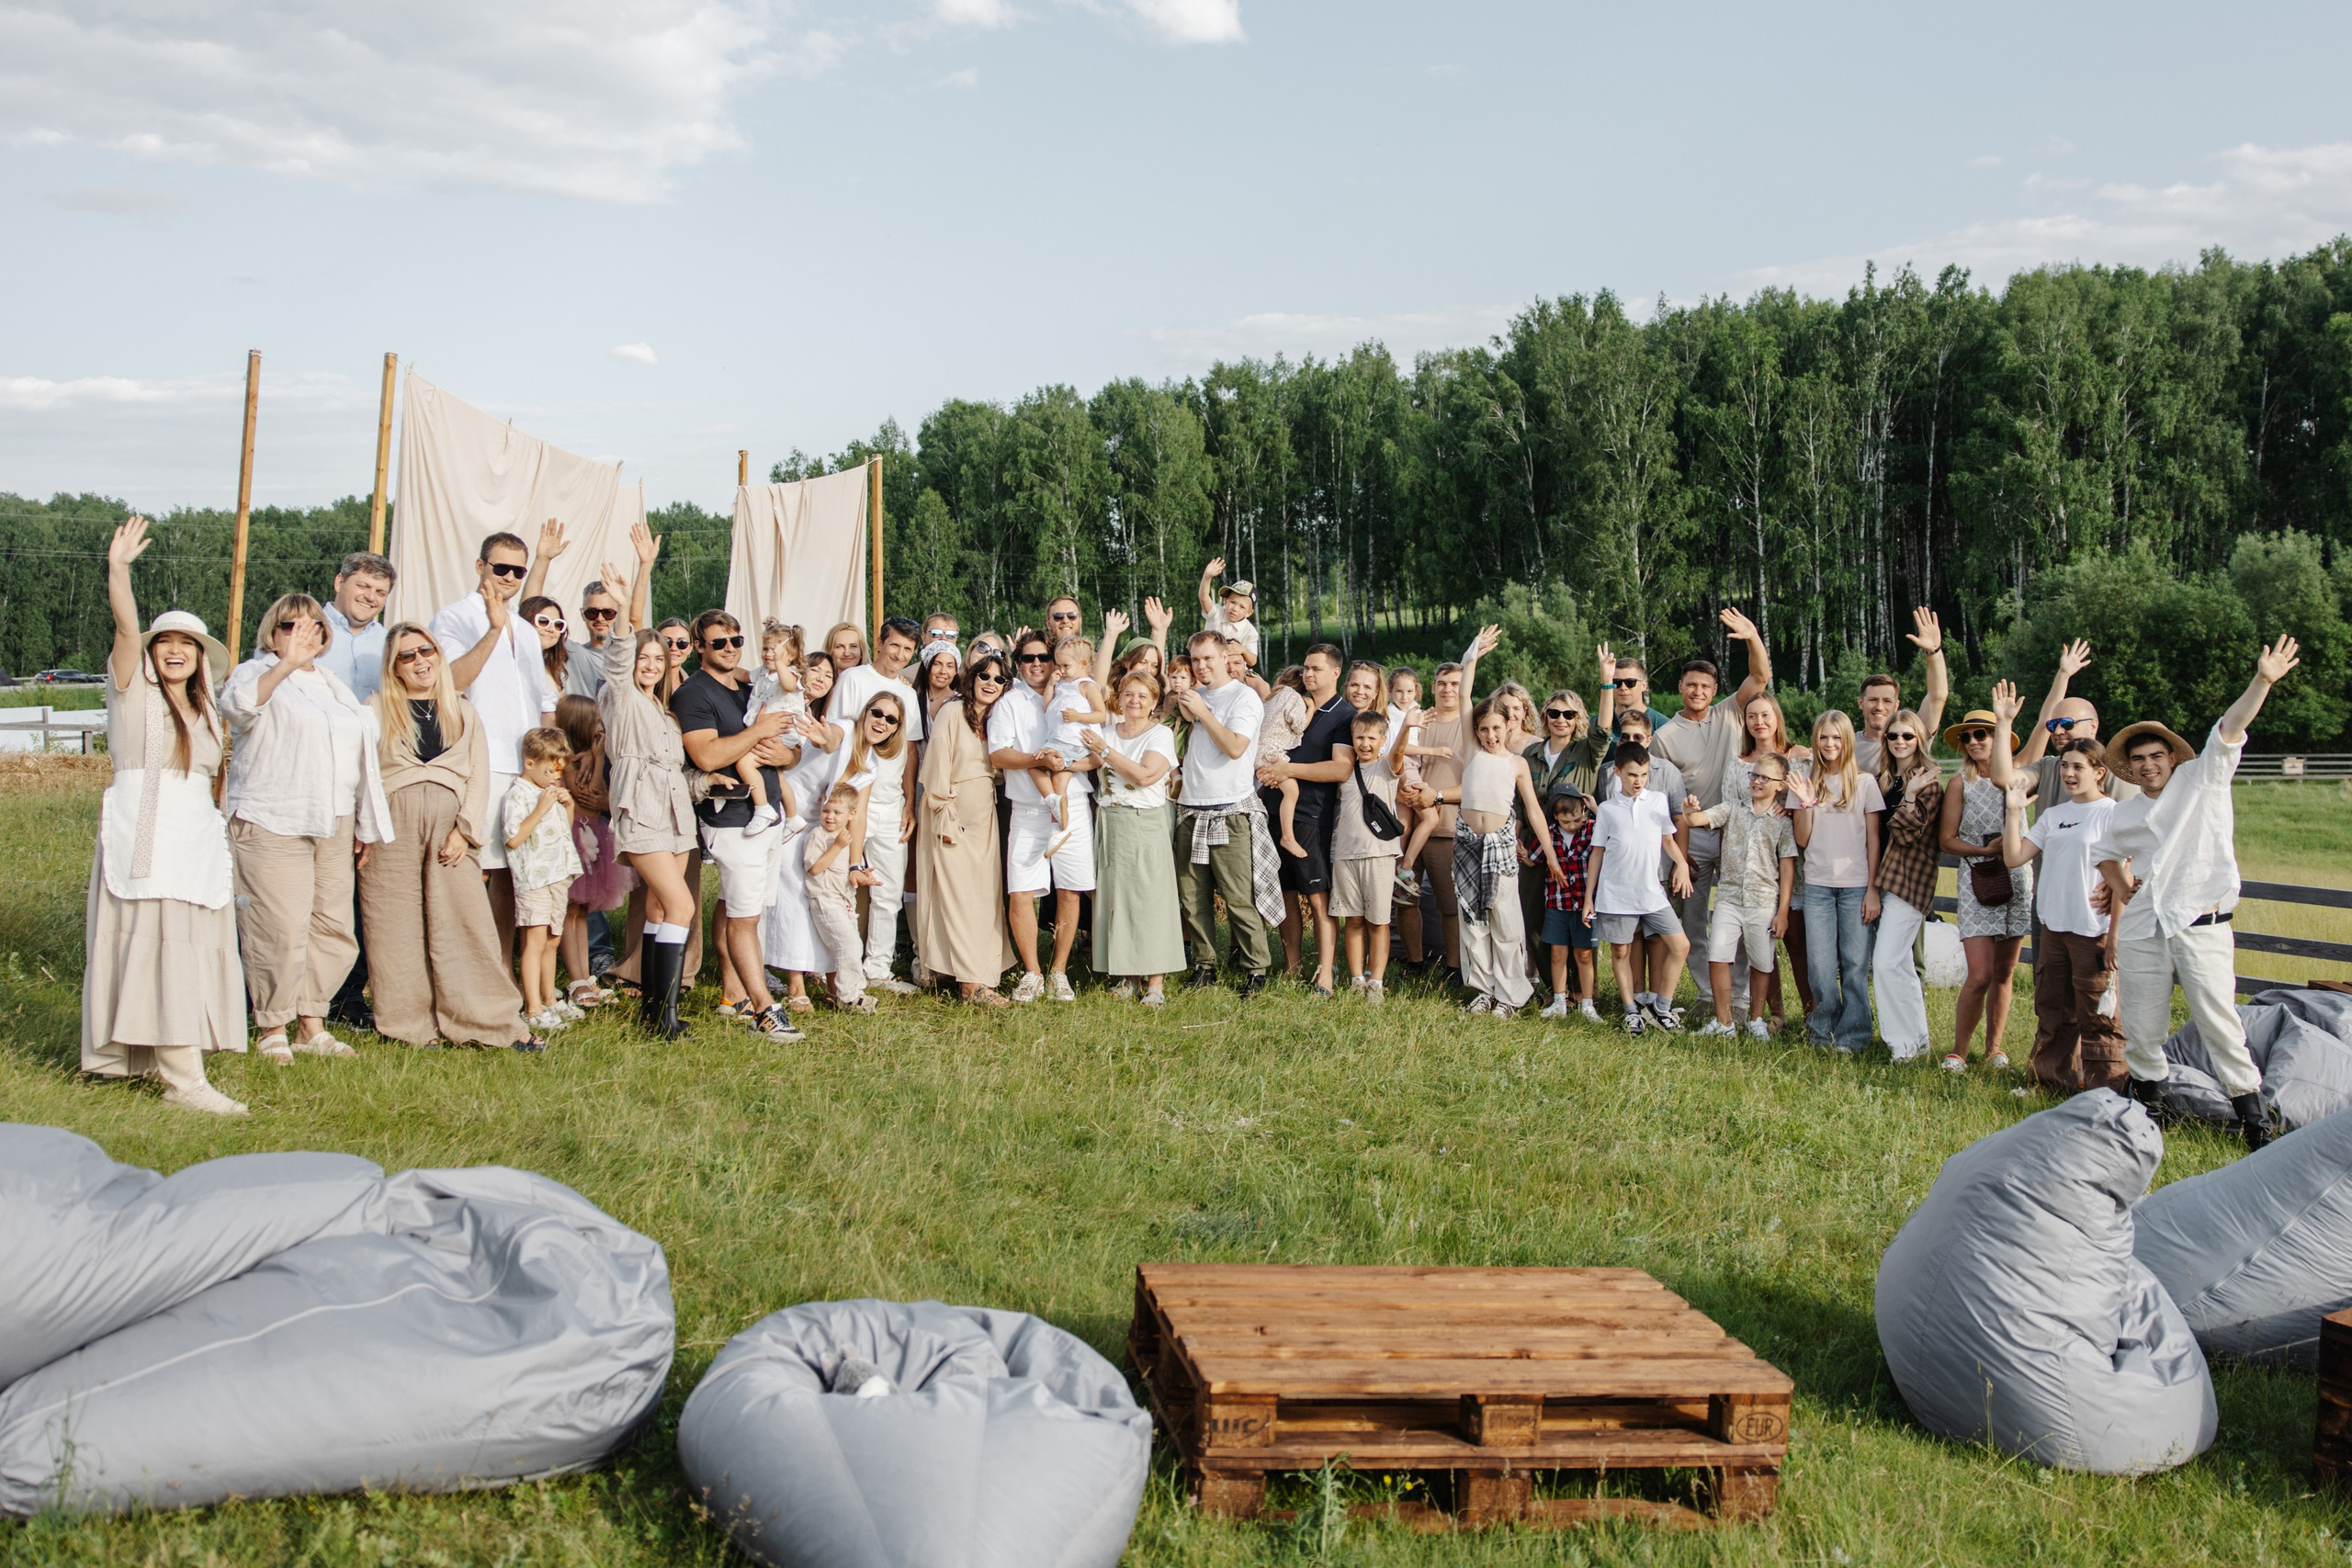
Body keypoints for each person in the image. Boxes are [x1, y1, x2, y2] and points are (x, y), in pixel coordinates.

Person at [2097, 637, 2300, 1150]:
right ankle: (2151, 1114)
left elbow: (2230, 729)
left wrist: (2263, 680)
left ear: (2172, 756)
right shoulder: (2124, 812)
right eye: (2138, 759)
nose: (2148, 765)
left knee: (2218, 1022)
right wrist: (2122, 887)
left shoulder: (2202, 777)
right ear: (2130, 767)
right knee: (2142, 1029)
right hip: (2145, 925)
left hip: (2201, 923)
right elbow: (2104, 852)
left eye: (2155, 756)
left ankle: (2255, 1122)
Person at [83, 516, 247, 1115]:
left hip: (192, 839)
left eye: (188, 644)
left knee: (183, 945)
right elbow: (125, 626)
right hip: (145, 836)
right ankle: (185, 1080)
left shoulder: (206, 713)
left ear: (201, 657)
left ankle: (162, 1061)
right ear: (152, 652)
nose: (176, 651)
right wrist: (118, 570)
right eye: (166, 641)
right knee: (152, 947)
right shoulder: (133, 691)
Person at [221, 589, 393, 1065]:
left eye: (313, 627)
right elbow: (238, 709)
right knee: (279, 925)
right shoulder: (255, 673)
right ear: (271, 634)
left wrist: (364, 821)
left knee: (333, 926)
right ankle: (272, 1024)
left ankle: (311, 1023)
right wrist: (284, 665)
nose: (302, 636)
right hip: (274, 816)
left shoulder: (334, 685)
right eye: (289, 627)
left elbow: (359, 757)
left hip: (334, 819)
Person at [594, 543, 747, 1040]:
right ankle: (664, 1018)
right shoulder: (621, 699)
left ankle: (652, 1012)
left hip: (678, 814)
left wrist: (706, 780)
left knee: (663, 909)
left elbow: (675, 772)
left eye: (659, 658)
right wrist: (629, 597)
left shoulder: (662, 712)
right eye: (644, 656)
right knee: (682, 906)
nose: (651, 664)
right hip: (643, 815)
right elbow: (618, 659)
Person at [362, 622, 537, 1051]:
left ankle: (489, 1021)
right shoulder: (375, 708)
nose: (420, 661)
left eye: (427, 651)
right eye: (408, 656)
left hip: (449, 827)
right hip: (392, 825)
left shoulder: (461, 710)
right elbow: (362, 774)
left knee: (465, 922)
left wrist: (465, 830)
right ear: (394, 667)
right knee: (394, 923)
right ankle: (409, 1026)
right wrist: (366, 829)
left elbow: (478, 774)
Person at [673, 609, 800, 1040]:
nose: (731, 649)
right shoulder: (693, 694)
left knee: (739, 907)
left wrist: (788, 755)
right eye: (719, 643)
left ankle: (734, 993)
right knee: (745, 918)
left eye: (736, 640)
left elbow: (787, 746)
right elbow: (707, 756)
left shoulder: (751, 682)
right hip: (730, 819)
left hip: (768, 815)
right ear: (700, 648)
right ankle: (765, 1011)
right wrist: (759, 730)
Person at [429, 531, 557, 953]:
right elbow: (453, 681)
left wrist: (551, 767)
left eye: (518, 571)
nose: (509, 577)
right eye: (500, 567)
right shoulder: (453, 618)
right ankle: (463, 967)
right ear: (480, 565)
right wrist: (492, 629)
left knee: (513, 873)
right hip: (481, 762)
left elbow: (541, 703)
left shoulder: (525, 628)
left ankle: (502, 971)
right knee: (474, 868)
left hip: (526, 767)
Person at [1654, 609, 1772, 1022]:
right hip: (1695, 832)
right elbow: (1662, 797)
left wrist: (1752, 637)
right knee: (1693, 918)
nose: (1698, 692)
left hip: (1738, 829)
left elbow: (1760, 679)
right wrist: (1679, 855)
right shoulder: (1664, 737)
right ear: (1681, 688)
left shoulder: (1729, 712)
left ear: (1715, 689)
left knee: (1738, 914)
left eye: (1705, 686)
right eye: (1691, 686)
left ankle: (1738, 1000)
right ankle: (1708, 992)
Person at [2000, 739, 2126, 1093]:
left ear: (2099, 772)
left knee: (2098, 1014)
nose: (2069, 773)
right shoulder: (2054, 815)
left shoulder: (2111, 813)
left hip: (2092, 931)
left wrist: (2114, 935)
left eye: (2078, 767)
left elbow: (2122, 881)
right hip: (2053, 927)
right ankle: (2049, 1081)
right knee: (2053, 1008)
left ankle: (2107, 1089)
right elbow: (2014, 857)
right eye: (2064, 766)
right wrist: (2013, 812)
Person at [989, 631, 1097, 1000]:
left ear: (1055, 661)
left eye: (1043, 657)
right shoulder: (1008, 703)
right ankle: (1031, 972)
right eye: (1028, 658)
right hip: (1028, 808)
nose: (1037, 663)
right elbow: (999, 755)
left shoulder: (1078, 692)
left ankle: (1059, 972)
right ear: (1018, 664)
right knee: (1020, 890)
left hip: (1074, 803)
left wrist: (1064, 762)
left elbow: (1098, 753)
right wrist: (1038, 758)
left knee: (1070, 888)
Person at [315, 549, 397, 1034]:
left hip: (370, 778)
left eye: (379, 592)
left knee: (360, 892)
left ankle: (346, 995)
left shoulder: (389, 643)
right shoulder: (307, 628)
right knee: (308, 892)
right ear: (339, 582)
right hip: (318, 773)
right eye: (362, 587)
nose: (369, 598)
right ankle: (281, 992)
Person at [1172, 629, 1280, 994]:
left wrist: (1203, 713)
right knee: (1192, 897)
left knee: (1238, 896)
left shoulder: (1244, 698)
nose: (1201, 666)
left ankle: (1256, 969)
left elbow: (1235, 748)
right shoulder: (1193, 696)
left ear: (1223, 658)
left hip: (1230, 810)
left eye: (1208, 658)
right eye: (1196, 660)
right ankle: (1204, 965)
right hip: (1190, 807)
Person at [1446, 698, 1566, 1018]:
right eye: (1483, 729)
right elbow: (1465, 696)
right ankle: (1484, 990)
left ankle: (1509, 995)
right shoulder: (1473, 753)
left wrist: (1551, 857)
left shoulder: (1516, 763)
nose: (1490, 734)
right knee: (1473, 922)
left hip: (1500, 848)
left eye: (1496, 727)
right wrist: (1472, 655)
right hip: (1468, 846)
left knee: (1506, 922)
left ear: (1508, 726)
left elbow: (1536, 813)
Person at [916, 650, 1018, 1008]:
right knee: (958, 897)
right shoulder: (952, 712)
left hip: (984, 818)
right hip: (951, 814)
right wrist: (944, 814)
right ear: (972, 678)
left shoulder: (996, 718)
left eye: (999, 679)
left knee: (984, 898)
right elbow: (936, 766)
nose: (990, 683)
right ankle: (971, 986)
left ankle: (977, 971)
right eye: (984, 676)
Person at [1397, 626, 1498, 979]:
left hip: (1448, 828)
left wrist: (1436, 795)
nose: (1447, 689)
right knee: (1404, 899)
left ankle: (1455, 968)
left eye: (1454, 684)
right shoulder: (1418, 719)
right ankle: (1413, 963)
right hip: (1408, 823)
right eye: (1442, 683)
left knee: (1449, 904)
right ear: (1434, 686)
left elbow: (1475, 784)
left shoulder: (1470, 726)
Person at [1259, 646, 1360, 994]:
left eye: (1316, 668)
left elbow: (1340, 768)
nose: (1308, 674)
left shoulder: (1344, 715)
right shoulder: (1293, 702)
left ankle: (1326, 975)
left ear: (1335, 673)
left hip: (1312, 816)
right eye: (1305, 668)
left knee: (1317, 897)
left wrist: (1286, 770)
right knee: (1285, 893)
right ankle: (1291, 968)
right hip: (1272, 808)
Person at [1939, 698, 2031, 1071]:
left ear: (2000, 738)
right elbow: (1946, 839)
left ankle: (1994, 1048)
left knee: (2005, 971)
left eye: (1983, 734)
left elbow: (2043, 726)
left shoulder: (2020, 774)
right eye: (1969, 737)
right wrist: (1981, 849)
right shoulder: (1960, 783)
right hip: (1978, 876)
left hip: (2016, 876)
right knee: (1979, 973)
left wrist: (2063, 676)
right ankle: (1959, 1050)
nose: (1975, 741)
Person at [1086, 668, 1186, 1003]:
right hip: (1111, 821)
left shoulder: (1158, 736)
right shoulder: (1106, 732)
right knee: (1118, 900)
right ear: (1119, 697)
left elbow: (1144, 777)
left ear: (1154, 701)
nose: (1135, 701)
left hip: (1145, 821)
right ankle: (1128, 977)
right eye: (1129, 693)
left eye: (1143, 695)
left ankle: (1155, 983)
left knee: (1150, 899)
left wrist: (1105, 752)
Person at [1787, 711, 1882, 1055]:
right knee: (1821, 966)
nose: (1829, 744)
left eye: (1836, 738)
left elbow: (1873, 840)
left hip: (1856, 885)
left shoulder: (1864, 783)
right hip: (1817, 886)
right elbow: (1802, 838)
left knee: (1855, 964)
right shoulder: (1803, 781)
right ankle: (1822, 1030)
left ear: (1847, 741)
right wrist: (1807, 801)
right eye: (1824, 737)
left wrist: (1872, 889)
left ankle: (1854, 1035)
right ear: (1815, 740)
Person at [761, 651, 849, 1013]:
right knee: (793, 899)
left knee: (826, 900)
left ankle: (831, 980)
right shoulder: (782, 706)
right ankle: (796, 984)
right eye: (816, 670)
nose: (821, 678)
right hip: (784, 818)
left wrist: (822, 736)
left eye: (829, 675)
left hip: (820, 824)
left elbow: (829, 742)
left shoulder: (833, 720)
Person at [1688, 753, 1797, 1041]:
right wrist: (1690, 811)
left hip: (1762, 902)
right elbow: (1700, 818)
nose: (1757, 781)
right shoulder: (1732, 809)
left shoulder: (1783, 822)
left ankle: (1756, 1019)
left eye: (1764, 777)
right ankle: (1724, 1022)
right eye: (1754, 775)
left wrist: (1782, 911)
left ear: (1780, 785)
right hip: (1729, 897)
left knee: (1762, 963)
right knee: (1718, 957)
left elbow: (1787, 869)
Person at [1585, 742, 1692, 1034]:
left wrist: (1681, 865)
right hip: (1616, 894)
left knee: (1680, 946)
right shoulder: (1607, 810)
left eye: (1643, 775)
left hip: (1651, 893)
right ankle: (1631, 1011)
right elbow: (1597, 854)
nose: (1638, 781)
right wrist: (1588, 899)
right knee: (1620, 953)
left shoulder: (1657, 801)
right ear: (1617, 772)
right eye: (1632, 774)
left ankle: (1660, 1009)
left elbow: (1668, 840)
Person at [1867, 708, 1945, 1062]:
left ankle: (1901, 1044)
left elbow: (1906, 832)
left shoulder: (1927, 781)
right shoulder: (1882, 777)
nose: (1900, 742)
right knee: (1898, 967)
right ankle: (1916, 1042)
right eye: (1893, 736)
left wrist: (1911, 795)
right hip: (1880, 877)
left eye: (1907, 736)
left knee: (1885, 963)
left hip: (1909, 882)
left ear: (1920, 739)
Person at [555, 693, 633, 1011]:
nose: (602, 727)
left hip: (594, 838)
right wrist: (598, 757)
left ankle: (585, 974)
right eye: (597, 721)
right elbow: (591, 794)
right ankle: (576, 978)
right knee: (569, 911)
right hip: (577, 838)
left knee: (583, 911)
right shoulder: (571, 762)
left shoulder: (588, 756)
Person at [838, 687, 918, 998]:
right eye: (878, 713)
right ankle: (828, 965)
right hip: (851, 812)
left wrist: (908, 805)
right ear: (866, 711)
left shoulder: (896, 747)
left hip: (889, 813)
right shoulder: (850, 738)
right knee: (839, 888)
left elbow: (907, 772)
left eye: (892, 719)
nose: (883, 721)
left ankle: (878, 968)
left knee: (888, 893)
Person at [504, 727, 583, 1035]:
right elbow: (513, 838)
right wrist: (541, 808)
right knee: (534, 942)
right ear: (529, 764)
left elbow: (564, 830)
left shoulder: (547, 792)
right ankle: (532, 1007)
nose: (555, 778)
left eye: (559, 772)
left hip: (556, 876)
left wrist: (569, 806)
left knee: (552, 939)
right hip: (534, 879)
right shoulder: (519, 795)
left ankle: (550, 999)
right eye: (550, 770)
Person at [1331, 709, 1405, 1001]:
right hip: (1346, 854)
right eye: (1360, 737)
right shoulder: (1345, 770)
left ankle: (1376, 981)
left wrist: (1408, 727)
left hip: (1379, 855)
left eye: (1372, 738)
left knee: (1378, 921)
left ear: (1383, 740)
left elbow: (1398, 754)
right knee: (1352, 920)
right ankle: (1356, 979)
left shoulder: (1386, 767)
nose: (1365, 743)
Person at [2015, 638, 2140, 807]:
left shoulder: (2116, 771)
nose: (2058, 731)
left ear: (2093, 726)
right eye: (2053, 726)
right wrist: (2003, 722)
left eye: (2067, 724)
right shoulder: (2047, 767)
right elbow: (2003, 779)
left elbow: (2129, 822)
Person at [1031, 635, 1111, 858]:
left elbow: (1100, 713)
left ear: (1083, 664)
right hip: (1058, 741)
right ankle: (1058, 819)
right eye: (1058, 665)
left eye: (1066, 665)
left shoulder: (1086, 685)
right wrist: (1051, 684)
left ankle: (1058, 821)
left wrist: (1078, 716)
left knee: (1048, 772)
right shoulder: (1063, 686)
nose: (1061, 670)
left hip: (1073, 741)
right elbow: (1047, 706)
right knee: (1038, 767)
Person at [804, 784, 881, 1014]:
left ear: (851, 814)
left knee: (850, 946)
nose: (830, 817)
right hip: (825, 900)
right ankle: (849, 995)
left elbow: (845, 871)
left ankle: (850, 992)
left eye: (837, 813)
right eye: (826, 811)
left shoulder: (846, 837)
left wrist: (862, 876)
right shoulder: (818, 836)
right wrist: (837, 847)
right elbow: (815, 868)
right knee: (848, 945)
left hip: (844, 902)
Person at [1851, 608, 1952, 774]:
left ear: (1897, 705)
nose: (1880, 707)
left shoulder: (1911, 736)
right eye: (1873, 700)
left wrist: (1934, 652)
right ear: (1860, 703)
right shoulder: (1847, 745)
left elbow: (1938, 696)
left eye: (1887, 701)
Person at [736, 622, 808, 840]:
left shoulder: (790, 675)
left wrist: (780, 664)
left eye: (775, 651)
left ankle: (763, 807)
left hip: (782, 731)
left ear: (791, 655)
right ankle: (793, 817)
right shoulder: (762, 673)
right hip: (768, 729)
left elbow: (787, 686)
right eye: (766, 649)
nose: (769, 655)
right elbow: (744, 675)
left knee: (744, 763)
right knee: (778, 776)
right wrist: (725, 670)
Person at [1537, 784, 1602, 1024]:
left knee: (1584, 954)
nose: (1573, 826)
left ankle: (1588, 1004)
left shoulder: (1593, 829)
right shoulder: (1550, 834)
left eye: (1578, 819)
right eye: (1567, 822)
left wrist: (1597, 810)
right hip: (1556, 903)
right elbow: (1533, 858)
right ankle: (1558, 1001)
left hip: (1585, 905)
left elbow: (1614, 830)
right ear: (1555, 815)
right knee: (1557, 953)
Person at [564, 556, 655, 702]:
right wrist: (542, 560)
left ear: (618, 614)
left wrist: (646, 564)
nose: (600, 619)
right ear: (583, 614)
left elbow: (635, 618)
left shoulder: (632, 654)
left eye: (608, 613)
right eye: (592, 613)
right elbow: (531, 621)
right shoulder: (571, 653)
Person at [1254, 665, 1313, 858]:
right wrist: (1310, 709)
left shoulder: (1269, 699)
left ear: (1279, 680)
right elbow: (1299, 725)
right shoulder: (1293, 697)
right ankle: (1287, 836)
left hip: (1258, 752)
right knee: (1292, 791)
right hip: (1272, 754)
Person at [1197, 558, 1260, 668]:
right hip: (1209, 667)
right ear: (1225, 601)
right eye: (1232, 602)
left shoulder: (1250, 631)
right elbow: (1203, 597)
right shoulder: (1216, 613)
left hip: (1236, 672)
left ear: (1248, 613)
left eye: (1241, 607)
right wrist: (1207, 577)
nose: (1235, 608)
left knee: (1262, 685)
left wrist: (1242, 650)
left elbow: (1253, 660)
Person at [520, 595, 571, 698]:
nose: (551, 629)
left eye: (558, 625)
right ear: (526, 621)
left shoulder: (552, 669)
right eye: (543, 621)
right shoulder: (513, 662)